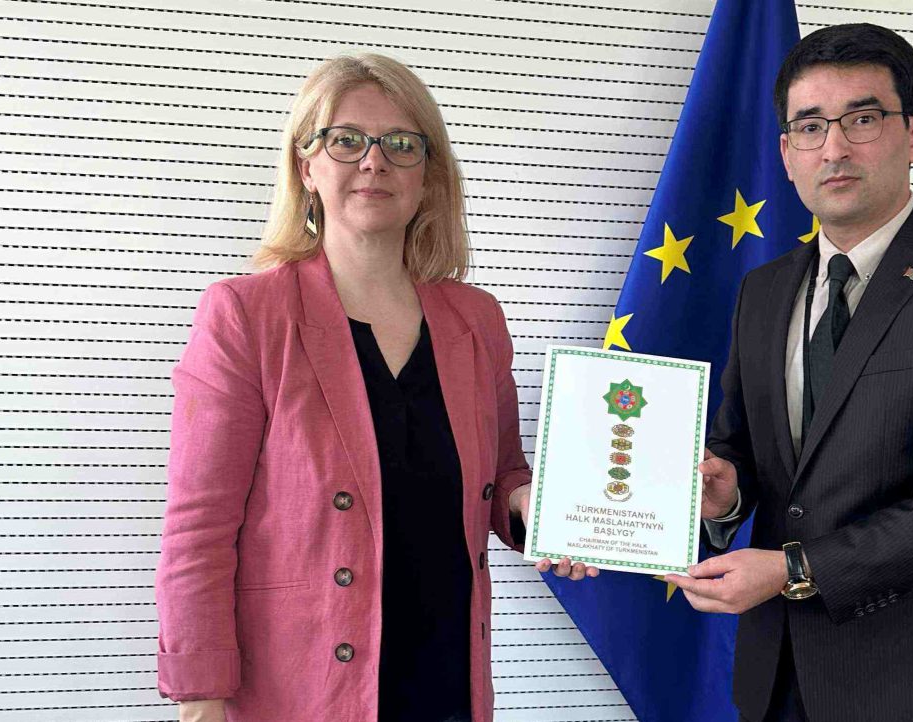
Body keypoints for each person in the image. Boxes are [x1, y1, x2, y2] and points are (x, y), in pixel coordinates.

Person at [154, 53, 596, 722]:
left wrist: (532, 505)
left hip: (448, 678)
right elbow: (200, 527)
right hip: (301, 690)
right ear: (307, 167)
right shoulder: (246, 314)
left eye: (401, 144)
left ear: (428, 176)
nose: (374, 161)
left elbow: (504, 472)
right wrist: (200, 696)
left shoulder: (476, 319)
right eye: (346, 139)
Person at [663, 24, 913, 722]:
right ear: (787, 152)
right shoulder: (763, 291)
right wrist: (724, 496)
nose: (834, 148)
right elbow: (742, 450)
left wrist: (797, 570)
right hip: (774, 675)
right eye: (810, 126)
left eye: (862, 119)